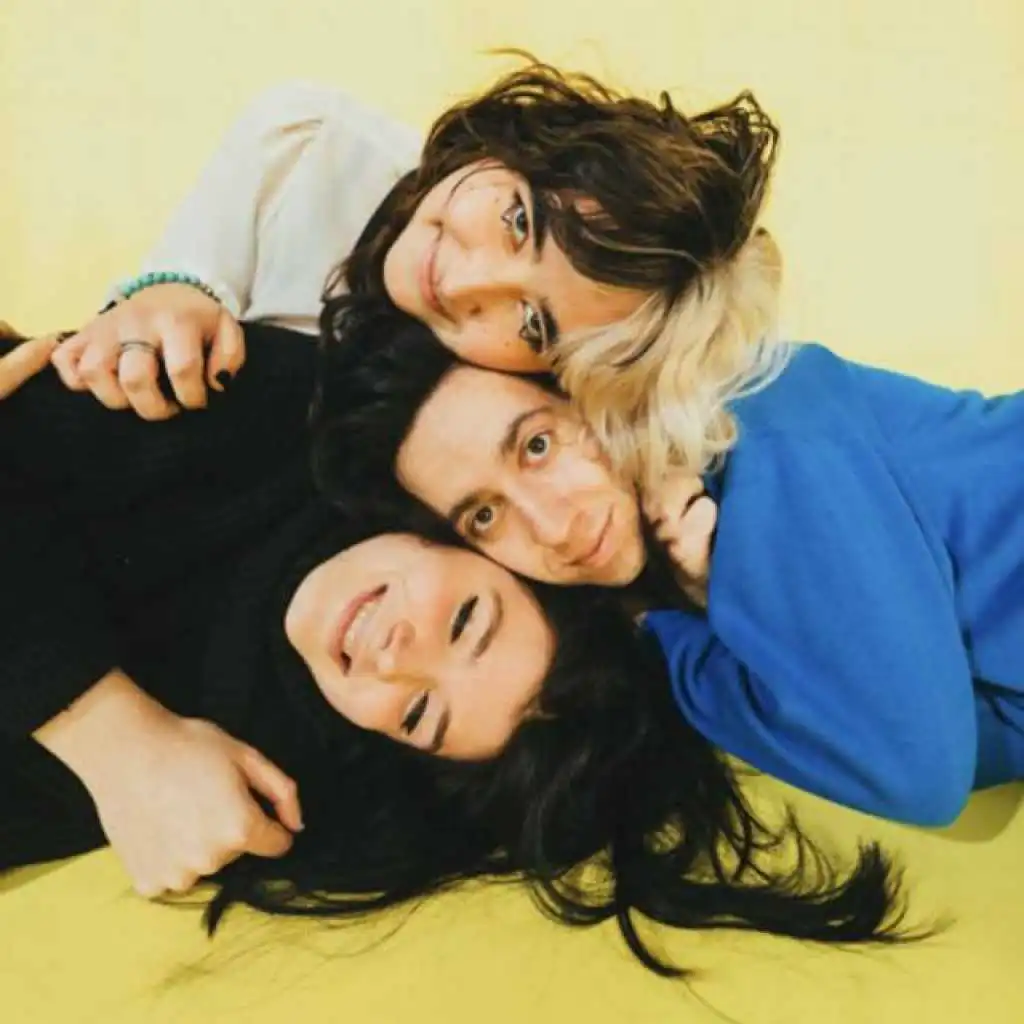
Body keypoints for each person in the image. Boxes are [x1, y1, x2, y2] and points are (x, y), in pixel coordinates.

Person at [0, 326, 908, 978]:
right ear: (472, 538)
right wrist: (112, 737)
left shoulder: (315, 788)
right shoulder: (289, 415)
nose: (393, 657)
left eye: (418, 714)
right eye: (468, 620)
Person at [309, 297, 1024, 828]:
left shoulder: (758, 417)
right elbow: (980, 745)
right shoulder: (689, 607)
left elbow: (922, 773)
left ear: (593, 386)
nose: (554, 526)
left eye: (538, 446)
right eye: (485, 517)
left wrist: (700, 619)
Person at [48, 57, 781, 499]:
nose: (467, 283)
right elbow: (177, 288)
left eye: (532, 323)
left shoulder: (486, 416)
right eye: (518, 220)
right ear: (517, 147)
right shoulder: (308, 145)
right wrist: (171, 295)